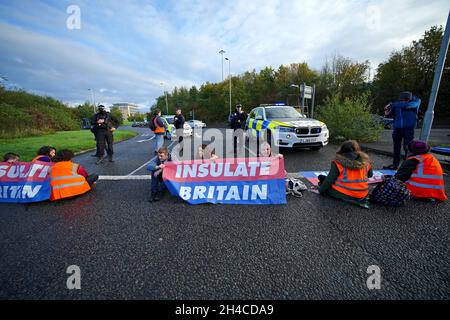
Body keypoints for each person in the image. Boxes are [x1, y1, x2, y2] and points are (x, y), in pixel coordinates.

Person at [318, 140, 373, 208]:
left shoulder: (337, 162)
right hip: (362, 193)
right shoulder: (366, 162)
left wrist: (320, 190)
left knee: (325, 185)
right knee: (323, 179)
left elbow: (329, 180)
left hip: (344, 193)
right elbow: (370, 175)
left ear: (342, 150)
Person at [383, 91, 421, 170]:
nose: (403, 101)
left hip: (409, 128)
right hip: (397, 128)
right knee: (396, 147)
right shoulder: (397, 104)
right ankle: (395, 165)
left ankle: (407, 166)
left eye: (404, 100)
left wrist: (393, 104)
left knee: (407, 147)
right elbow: (388, 114)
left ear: (408, 99)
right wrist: (387, 110)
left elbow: (408, 106)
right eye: (401, 100)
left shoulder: (416, 101)